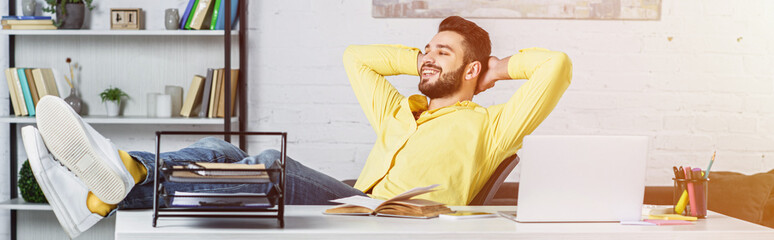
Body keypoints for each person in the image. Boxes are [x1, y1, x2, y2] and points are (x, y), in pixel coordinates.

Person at [25, 16, 571, 238]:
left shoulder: (493, 125)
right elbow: (357, 57)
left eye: (441, 53)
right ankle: (117, 181)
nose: (426, 58)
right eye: (424, 49)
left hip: (405, 224)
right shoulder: (400, 111)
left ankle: (113, 181)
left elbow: (556, 67)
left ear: (472, 69)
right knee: (221, 145)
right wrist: (425, 58)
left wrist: (496, 68)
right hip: (357, 206)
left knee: (269, 167)